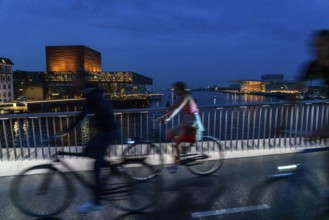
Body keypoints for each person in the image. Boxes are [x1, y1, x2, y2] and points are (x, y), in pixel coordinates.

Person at [56, 70, 118, 213]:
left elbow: (82, 115)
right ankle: (112, 166)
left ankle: (96, 201)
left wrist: (64, 131)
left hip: (108, 131)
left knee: (95, 163)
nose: (73, 82)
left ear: (81, 79)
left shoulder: (91, 93)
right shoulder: (91, 91)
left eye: (74, 79)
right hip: (107, 130)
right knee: (90, 153)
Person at [163, 81, 204, 172]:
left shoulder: (185, 97)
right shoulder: (183, 97)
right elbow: (174, 108)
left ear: (180, 90)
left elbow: (175, 107)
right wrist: (165, 117)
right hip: (186, 123)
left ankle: (176, 163)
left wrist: (165, 117)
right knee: (170, 134)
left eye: (175, 89)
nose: (173, 91)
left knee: (177, 141)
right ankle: (180, 152)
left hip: (191, 124)